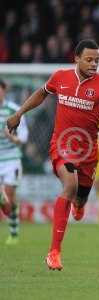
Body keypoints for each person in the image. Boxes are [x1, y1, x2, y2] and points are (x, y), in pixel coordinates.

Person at [6, 39, 99, 270]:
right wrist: (19, 113)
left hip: (89, 152)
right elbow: (41, 94)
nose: (93, 64)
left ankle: (79, 204)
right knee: (69, 185)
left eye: (97, 60)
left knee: (80, 197)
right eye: (89, 59)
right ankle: (54, 252)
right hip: (62, 145)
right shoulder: (60, 77)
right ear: (76, 59)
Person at [0, 79, 28, 245]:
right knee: (7, 202)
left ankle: (14, 233)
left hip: (11, 159)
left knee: (8, 203)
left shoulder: (14, 110)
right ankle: (14, 232)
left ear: (4, 91)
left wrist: (13, 137)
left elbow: (24, 137)